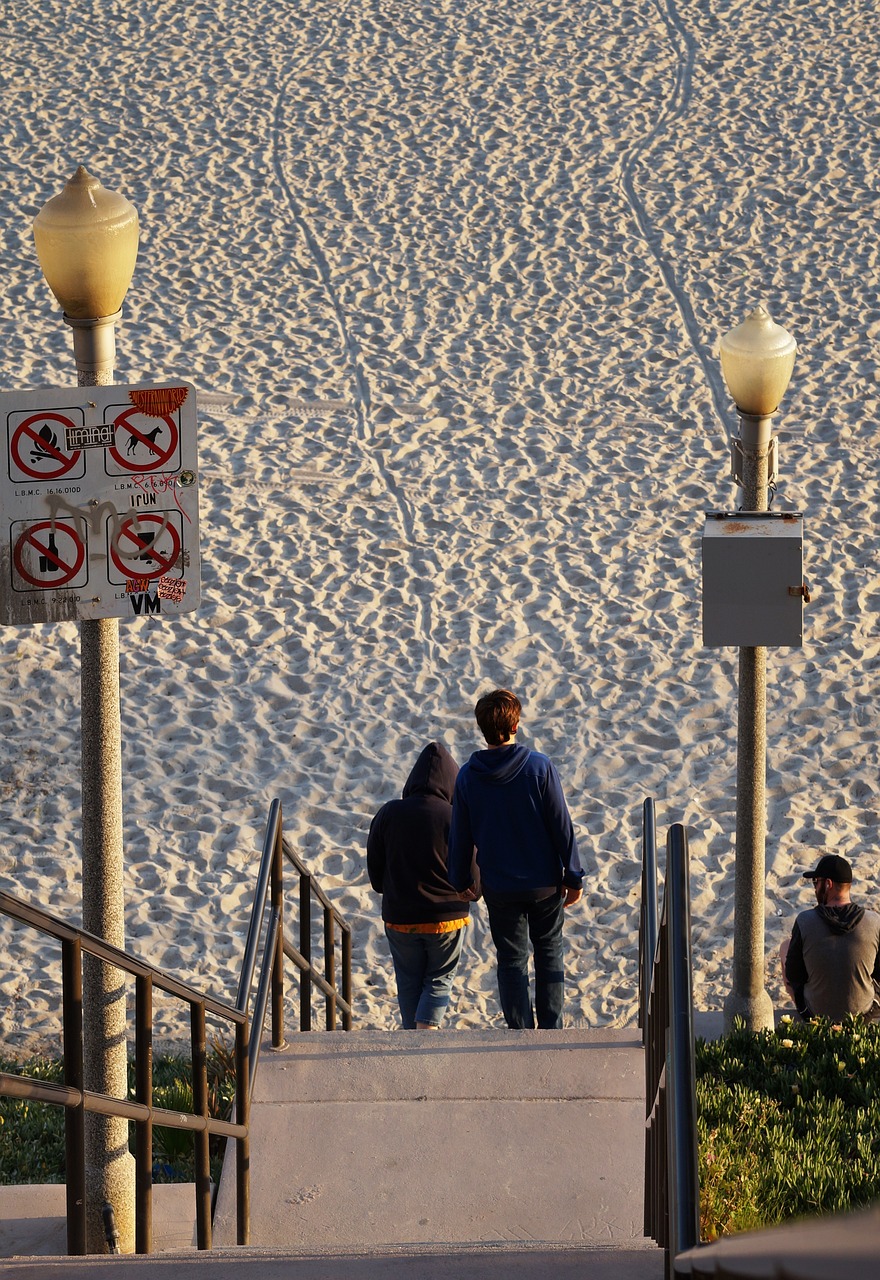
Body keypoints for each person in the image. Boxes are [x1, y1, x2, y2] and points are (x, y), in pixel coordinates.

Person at [447, 688, 583, 1030]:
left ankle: (519, 1032)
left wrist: (461, 880)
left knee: (511, 961)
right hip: (544, 884)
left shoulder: (467, 776)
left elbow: (460, 835)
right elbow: (561, 824)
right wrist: (574, 875)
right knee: (549, 952)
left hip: (500, 886)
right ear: (515, 725)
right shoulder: (539, 767)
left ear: (483, 729)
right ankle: (551, 1030)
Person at [367, 740, 478, 1030]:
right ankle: (425, 1037)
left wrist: (390, 889)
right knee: (439, 980)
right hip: (447, 918)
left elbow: (376, 875)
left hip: (400, 917)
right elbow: (474, 878)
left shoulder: (389, 813)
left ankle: (412, 1040)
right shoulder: (456, 817)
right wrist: (473, 891)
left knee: (408, 982)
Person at [781, 853, 880, 1022]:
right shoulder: (874, 921)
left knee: (785, 946)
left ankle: (805, 1009)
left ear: (828, 884)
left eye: (816, 882)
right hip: (863, 1015)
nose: (814, 888)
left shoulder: (805, 920)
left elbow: (794, 973)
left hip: (815, 1014)